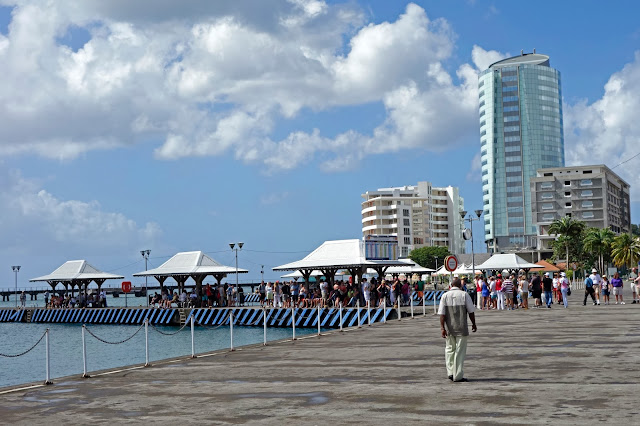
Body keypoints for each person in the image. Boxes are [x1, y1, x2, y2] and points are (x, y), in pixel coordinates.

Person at [438, 278, 477, 383]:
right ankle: (458, 375)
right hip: (462, 328)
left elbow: (442, 314)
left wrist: (442, 328)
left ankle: (450, 372)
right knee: (459, 352)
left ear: (451, 285)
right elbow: (471, 312)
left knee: (449, 350)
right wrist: (473, 324)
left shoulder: (445, 296)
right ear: (460, 285)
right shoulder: (464, 295)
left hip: (449, 328)